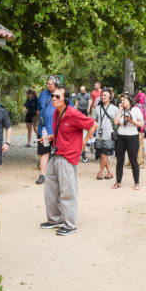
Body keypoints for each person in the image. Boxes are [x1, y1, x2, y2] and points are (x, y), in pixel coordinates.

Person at [39, 86, 97, 236]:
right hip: (56, 154)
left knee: (67, 192)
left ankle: (70, 225)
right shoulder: (57, 113)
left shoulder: (73, 113)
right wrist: (50, 137)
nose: (53, 98)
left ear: (65, 100)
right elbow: (63, 132)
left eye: (57, 96)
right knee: (50, 190)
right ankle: (54, 220)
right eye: (53, 96)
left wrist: (84, 143)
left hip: (68, 157)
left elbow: (93, 125)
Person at [113, 93, 144, 190]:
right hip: (121, 137)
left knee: (133, 160)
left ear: (130, 101)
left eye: (124, 100)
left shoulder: (136, 110)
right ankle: (118, 181)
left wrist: (132, 121)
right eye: (121, 100)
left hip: (132, 137)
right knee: (119, 161)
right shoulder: (120, 110)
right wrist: (120, 110)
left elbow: (141, 124)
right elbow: (116, 122)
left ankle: (136, 182)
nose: (122, 102)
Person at [35, 76, 58, 185]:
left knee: (58, 152)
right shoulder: (43, 94)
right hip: (43, 128)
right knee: (44, 152)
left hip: (57, 129)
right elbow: (39, 110)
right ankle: (42, 174)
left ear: (56, 84)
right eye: (47, 83)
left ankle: (57, 175)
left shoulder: (62, 94)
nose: (48, 85)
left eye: (51, 84)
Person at [92, 89, 118, 179]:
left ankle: (100, 172)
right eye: (102, 95)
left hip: (109, 135)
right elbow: (93, 122)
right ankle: (109, 172)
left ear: (110, 98)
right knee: (103, 155)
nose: (103, 97)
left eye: (105, 95)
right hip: (99, 135)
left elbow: (118, 122)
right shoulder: (97, 108)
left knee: (104, 154)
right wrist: (91, 132)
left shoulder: (115, 109)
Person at [134, 90, 146, 168]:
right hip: (143, 129)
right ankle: (143, 162)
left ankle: (137, 162)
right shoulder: (145, 106)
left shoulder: (136, 107)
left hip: (137, 129)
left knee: (136, 146)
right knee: (142, 145)